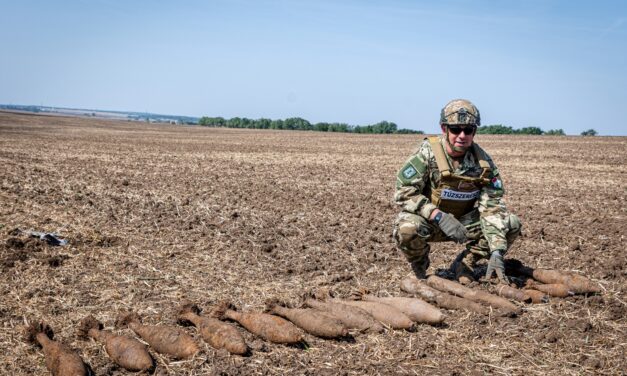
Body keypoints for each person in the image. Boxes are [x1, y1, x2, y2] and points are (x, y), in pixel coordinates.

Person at [392, 99, 521, 284]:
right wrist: (437, 215)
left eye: (468, 130)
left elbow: (492, 206)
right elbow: (404, 191)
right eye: (455, 129)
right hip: (432, 221)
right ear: (444, 128)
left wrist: (497, 250)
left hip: (465, 224)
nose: (462, 135)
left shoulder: (483, 163)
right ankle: (420, 269)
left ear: (474, 132)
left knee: (511, 223)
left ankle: (466, 264)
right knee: (407, 229)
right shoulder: (427, 153)